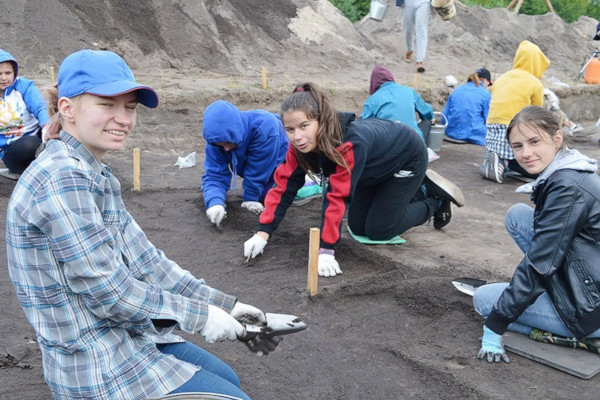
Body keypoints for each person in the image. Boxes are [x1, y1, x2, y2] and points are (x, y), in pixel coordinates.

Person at [6, 49, 268, 400]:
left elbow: (147, 262)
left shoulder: (91, 171)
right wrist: (201, 316)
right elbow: (110, 293)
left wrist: (225, 304)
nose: (123, 118)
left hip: (126, 336)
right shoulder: (61, 178)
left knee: (227, 377)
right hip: (95, 362)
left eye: (129, 107)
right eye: (106, 104)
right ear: (67, 109)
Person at [243, 82, 464, 277]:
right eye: (289, 130)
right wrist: (262, 233)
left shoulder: (348, 145)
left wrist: (326, 250)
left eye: (304, 126)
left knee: (379, 229)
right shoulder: (299, 147)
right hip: (371, 168)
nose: (297, 136)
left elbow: (336, 197)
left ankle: (432, 198)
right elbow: (283, 187)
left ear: (320, 121)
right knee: (358, 227)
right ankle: (404, 193)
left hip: (406, 156)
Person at [473, 106, 600, 364]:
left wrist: (496, 325)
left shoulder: (567, 188)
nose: (525, 153)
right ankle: (548, 301)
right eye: (518, 146)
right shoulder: (571, 170)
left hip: (592, 308)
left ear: (557, 138)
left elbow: (540, 263)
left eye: (534, 142)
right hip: (588, 270)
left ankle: (576, 334)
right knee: (518, 215)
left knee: (484, 301)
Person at [202, 99, 289, 226]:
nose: (225, 149)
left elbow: (258, 170)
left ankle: (308, 183)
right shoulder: (215, 141)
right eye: (220, 145)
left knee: (270, 198)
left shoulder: (265, 127)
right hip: (261, 167)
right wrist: (214, 203)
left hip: (282, 162)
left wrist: (250, 198)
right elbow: (214, 175)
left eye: (227, 143)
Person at [480, 40, 550, 184]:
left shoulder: (503, 78)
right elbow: (537, 113)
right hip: (512, 129)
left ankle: (500, 159)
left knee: (513, 146)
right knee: (539, 165)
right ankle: (505, 162)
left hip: (492, 126)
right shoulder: (534, 83)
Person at [0, 49, 48, 177]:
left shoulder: (24, 86)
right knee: (30, 145)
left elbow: (40, 107)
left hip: (39, 135)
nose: (4, 78)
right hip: (12, 150)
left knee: (61, 123)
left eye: (8, 73)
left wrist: (46, 127)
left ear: (14, 72)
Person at [361, 65, 433, 141]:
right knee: (426, 122)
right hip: (415, 143)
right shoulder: (409, 91)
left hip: (388, 146)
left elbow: (364, 127)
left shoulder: (372, 100)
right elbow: (427, 112)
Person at [442, 68, 492, 146]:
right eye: (488, 84)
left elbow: (444, 116)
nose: (487, 87)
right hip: (473, 134)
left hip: (451, 132)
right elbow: (488, 119)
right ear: (485, 81)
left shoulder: (457, 89)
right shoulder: (485, 94)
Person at [399, 0, 431, 73]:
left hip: (424, 2)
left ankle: (420, 61)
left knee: (421, 29)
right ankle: (410, 49)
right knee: (407, 30)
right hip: (408, 2)